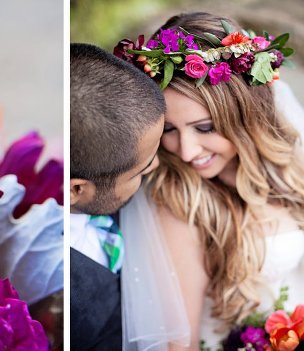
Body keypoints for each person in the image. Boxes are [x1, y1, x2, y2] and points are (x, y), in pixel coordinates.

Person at [115, 12, 304, 351]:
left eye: (204, 128)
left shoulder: (291, 168)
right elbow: (179, 345)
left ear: (246, 115)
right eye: (169, 131)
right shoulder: (180, 203)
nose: (186, 152)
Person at [69, 43, 165, 350]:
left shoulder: (108, 195)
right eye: (138, 172)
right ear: (76, 190)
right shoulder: (69, 298)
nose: (156, 166)